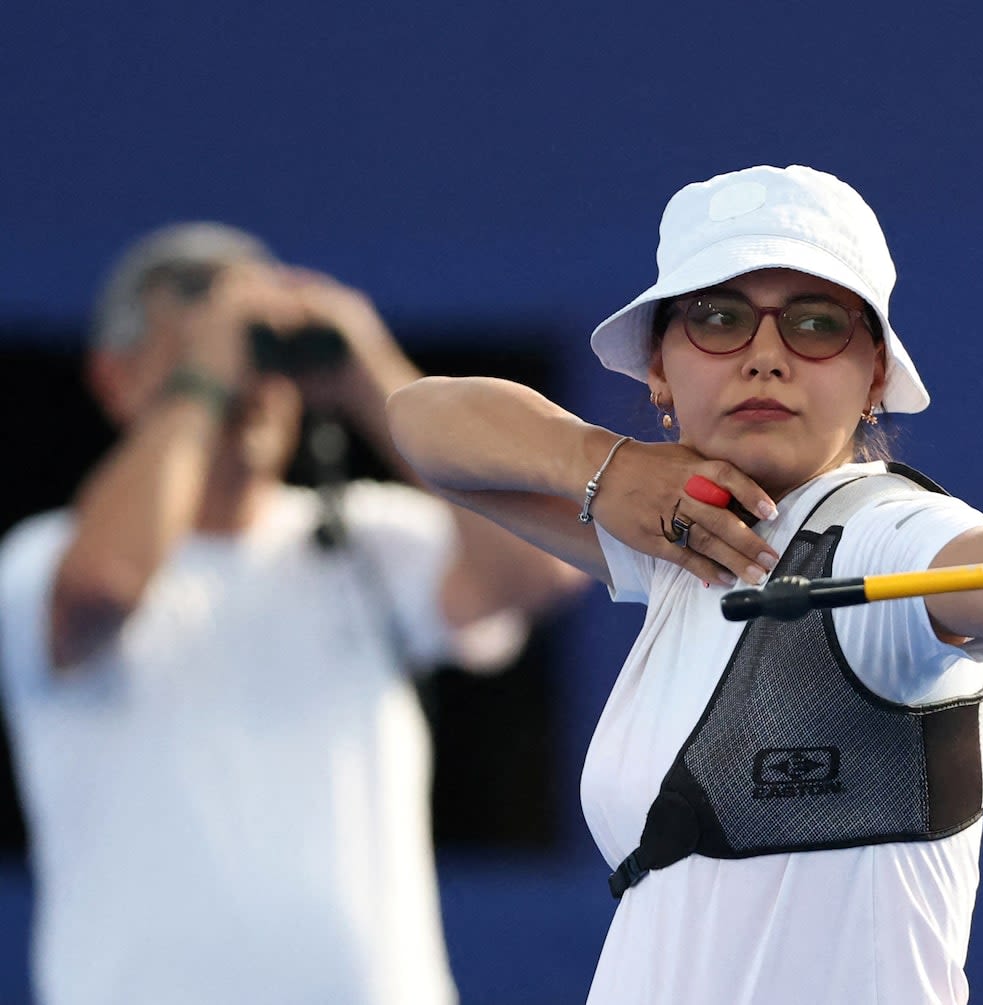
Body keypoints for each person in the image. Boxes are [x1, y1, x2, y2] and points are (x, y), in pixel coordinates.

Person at [384, 164, 983, 1004]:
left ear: (875, 373)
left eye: (814, 325)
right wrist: (603, 467)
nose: (765, 356)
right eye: (719, 318)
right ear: (659, 367)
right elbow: (419, 423)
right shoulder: (684, 535)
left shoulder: (879, 536)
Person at [0, 223, 589, 1005]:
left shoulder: (365, 539)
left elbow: (546, 567)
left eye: (259, 352)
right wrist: (204, 385)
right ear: (115, 378)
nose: (245, 381)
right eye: (197, 352)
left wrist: (367, 371)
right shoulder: (42, 558)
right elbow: (103, 589)